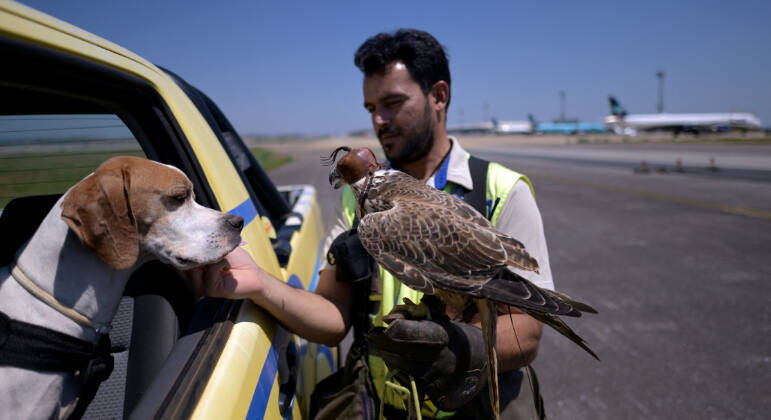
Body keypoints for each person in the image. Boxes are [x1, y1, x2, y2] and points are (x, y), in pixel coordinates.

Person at [185, 29, 553, 419]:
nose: (379, 120)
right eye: (370, 108)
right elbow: (333, 316)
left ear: (439, 96)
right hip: (385, 406)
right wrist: (258, 283)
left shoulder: (500, 190)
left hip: (472, 406)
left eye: (393, 103)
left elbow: (528, 334)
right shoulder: (357, 199)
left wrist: (460, 347)